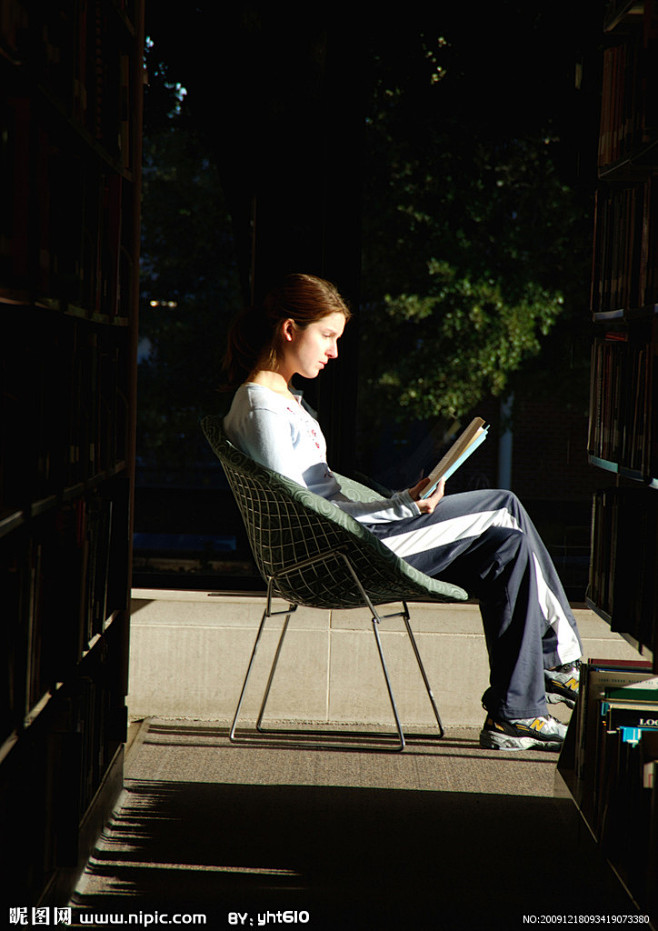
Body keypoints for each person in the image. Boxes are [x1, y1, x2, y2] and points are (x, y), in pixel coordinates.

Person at [222, 272, 582, 751]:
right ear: (289, 329)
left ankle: (516, 715)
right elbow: (310, 514)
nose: (333, 352)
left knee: (509, 548)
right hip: (343, 552)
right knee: (505, 507)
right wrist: (401, 508)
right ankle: (561, 663)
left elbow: (324, 502)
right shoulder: (262, 408)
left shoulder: (281, 401)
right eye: (326, 336)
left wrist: (401, 503)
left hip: (352, 538)